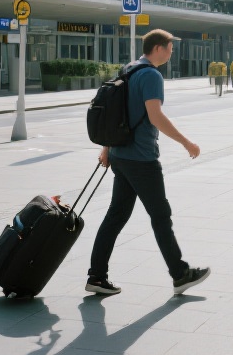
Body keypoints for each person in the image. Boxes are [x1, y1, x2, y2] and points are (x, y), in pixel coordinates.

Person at [86, 29, 210, 297]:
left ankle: (96, 276)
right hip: (141, 159)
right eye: (170, 48)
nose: (171, 52)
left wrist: (108, 147)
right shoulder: (151, 75)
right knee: (161, 217)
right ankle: (180, 274)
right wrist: (186, 143)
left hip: (120, 156)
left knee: (115, 216)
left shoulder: (128, 69)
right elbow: (155, 116)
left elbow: (115, 112)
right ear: (158, 48)